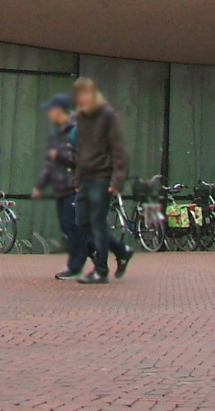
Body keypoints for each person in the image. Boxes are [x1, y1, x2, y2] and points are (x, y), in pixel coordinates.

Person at [72, 77, 133, 284]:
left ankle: (101, 270)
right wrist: (77, 179)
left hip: (102, 177)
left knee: (97, 223)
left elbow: (119, 150)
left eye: (85, 95)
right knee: (82, 221)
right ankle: (121, 250)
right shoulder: (82, 118)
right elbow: (80, 152)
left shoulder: (108, 117)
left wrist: (117, 181)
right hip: (85, 179)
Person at [32, 93, 91, 281]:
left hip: (74, 185)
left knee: (73, 226)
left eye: (50, 110)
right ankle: (103, 248)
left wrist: (60, 156)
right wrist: (40, 185)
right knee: (67, 226)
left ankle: (75, 267)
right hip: (60, 187)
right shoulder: (55, 133)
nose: (49, 114)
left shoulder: (77, 129)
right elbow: (50, 163)